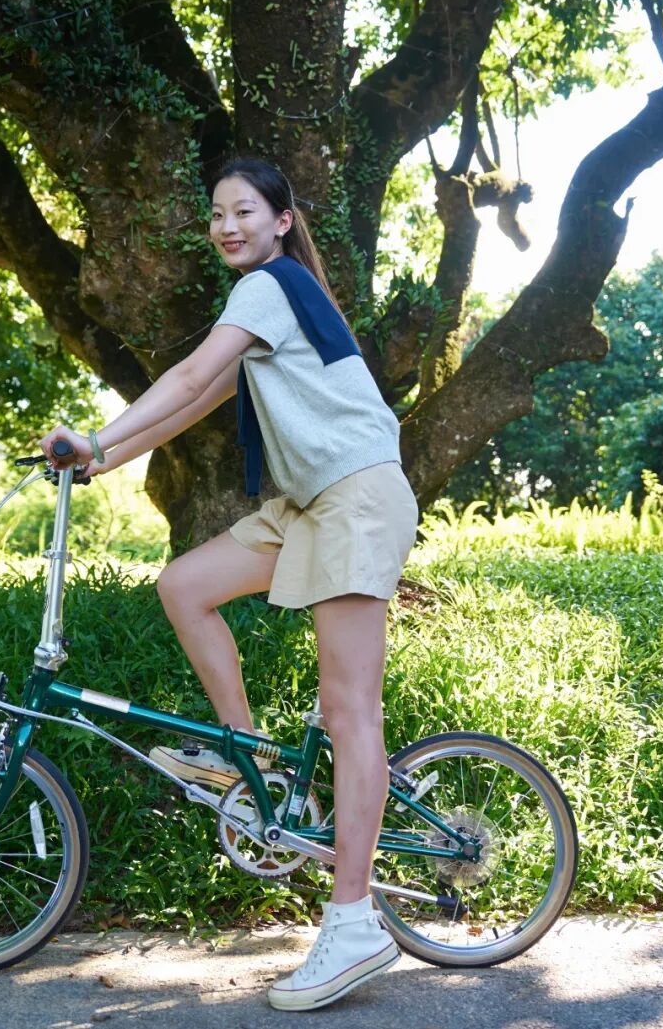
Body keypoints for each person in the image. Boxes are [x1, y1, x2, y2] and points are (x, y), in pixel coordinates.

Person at [38, 157, 418, 1012]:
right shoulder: (263, 304)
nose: (225, 226)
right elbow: (187, 405)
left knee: (350, 707)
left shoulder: (273, 284)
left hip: (353, 495)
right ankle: (250, 765)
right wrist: (97, 457)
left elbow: (184, 379)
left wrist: (94, 437)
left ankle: (354, 920)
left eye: (242, 210)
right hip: (306, 505)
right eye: (215, 214)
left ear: (282, 220)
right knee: (184, 584)